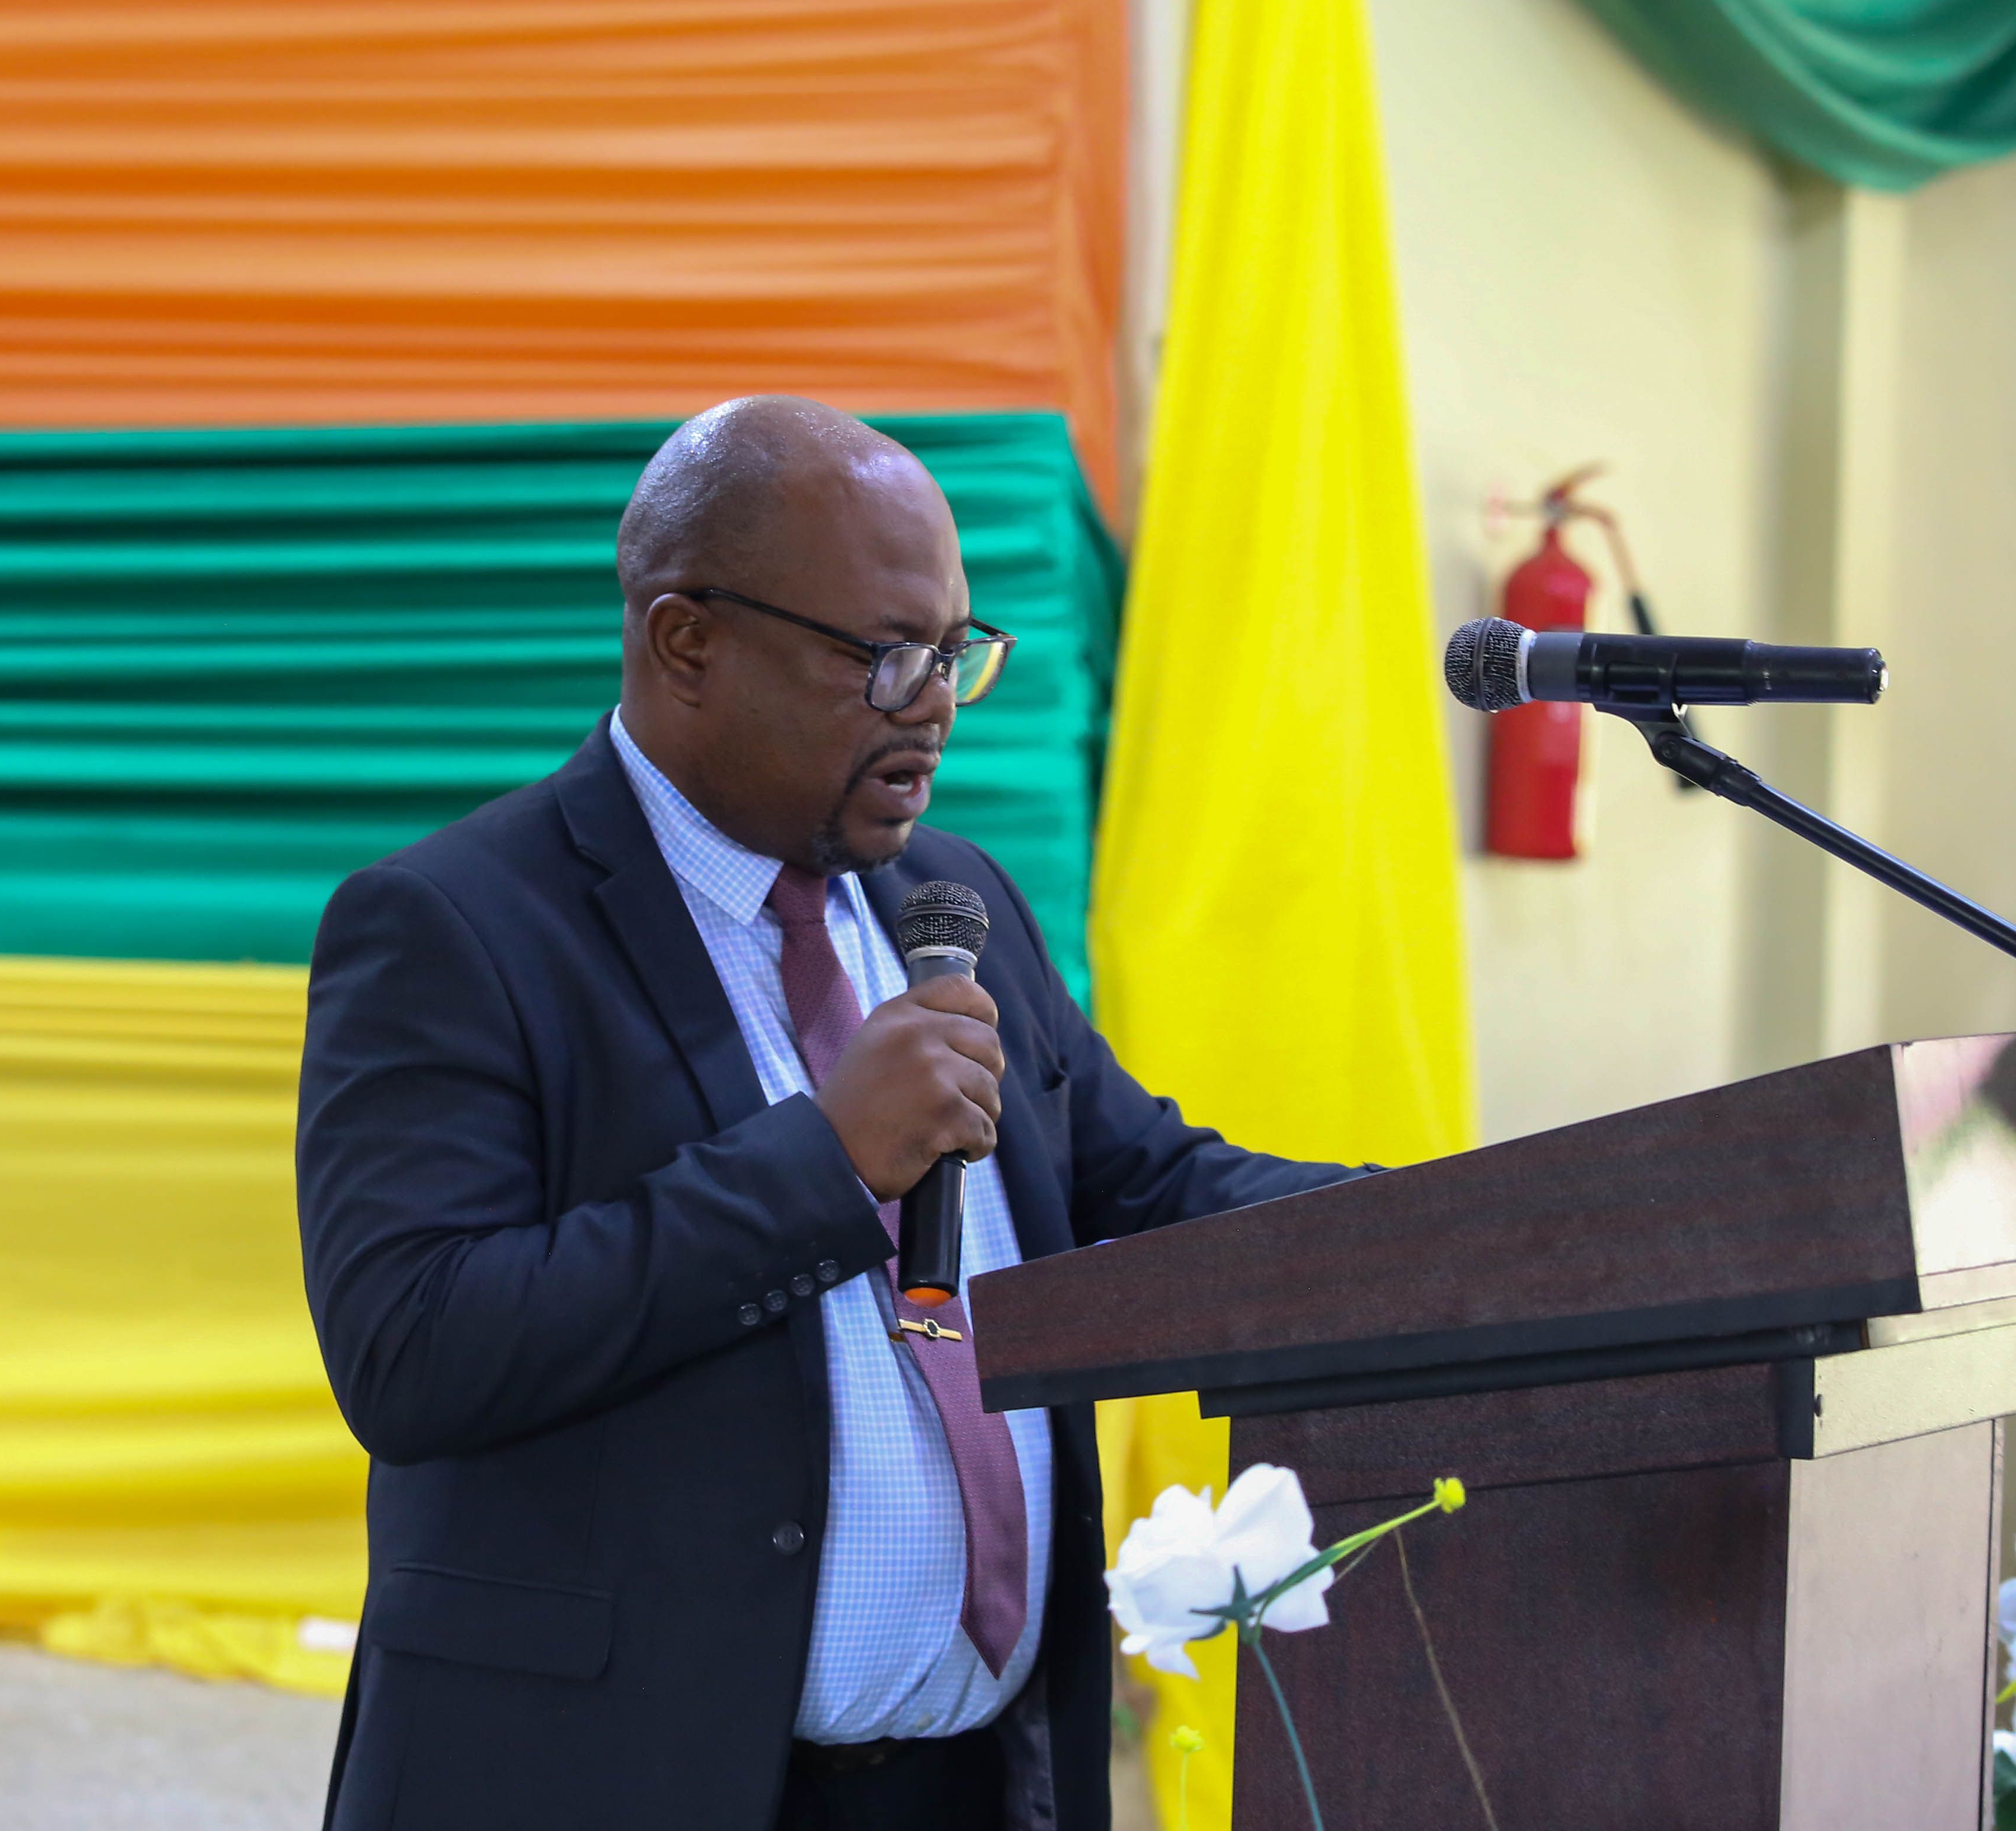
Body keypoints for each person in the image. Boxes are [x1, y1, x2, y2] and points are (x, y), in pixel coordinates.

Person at [296, 396, 1365, 1831]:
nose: (934, 703)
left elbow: (1156, 1188)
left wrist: (1468, 1230)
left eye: (956, 651)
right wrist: (827, 1159)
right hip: (620, 1783)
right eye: (885, 654)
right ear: (689, 641)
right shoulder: (457, 927)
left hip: (974, 1783)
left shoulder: (958, 903)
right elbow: (416, 1351)